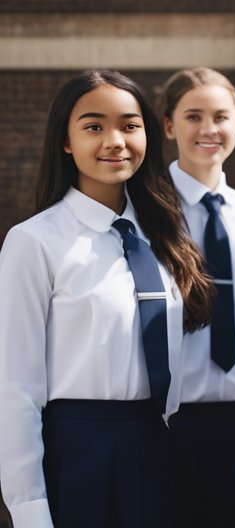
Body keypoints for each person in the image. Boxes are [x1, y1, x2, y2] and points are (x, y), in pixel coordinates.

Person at [0, 70, 215, 528]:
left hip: (157, 447)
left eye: (130, 125)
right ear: (65, 140)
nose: (115, 140)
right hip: (76, 452)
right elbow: (15, 386)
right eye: (94, 126)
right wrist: (28, 506)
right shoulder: (34, 242)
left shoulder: (164, 237)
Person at [161, 68, 235, 527]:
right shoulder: (147, 210)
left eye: (220, 116)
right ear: (170, 126)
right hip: (175, 420)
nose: (209, 129)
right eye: (194, 116)